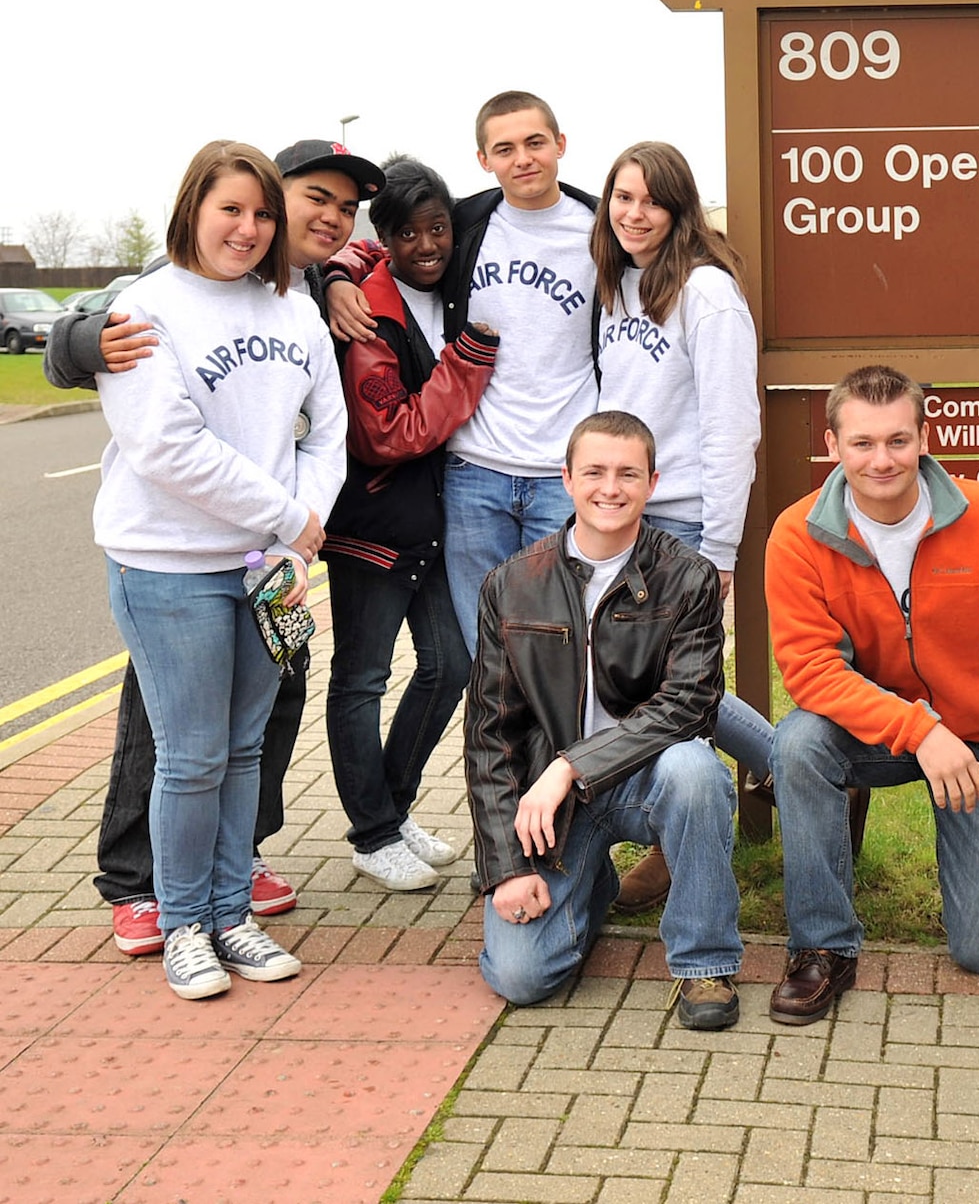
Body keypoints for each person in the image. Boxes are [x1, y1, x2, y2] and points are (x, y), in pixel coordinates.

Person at [53, 138, 382, 949]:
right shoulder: (144, 308)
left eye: (262, 213)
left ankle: (231, 914)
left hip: (269, 570)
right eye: (230, 209)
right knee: (190, 755)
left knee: (247, 749)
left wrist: (296, 541)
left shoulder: (298, 306)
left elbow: (326, 431)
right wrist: (288, 516)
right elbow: (167, 447)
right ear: (191, 209)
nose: (248, 228)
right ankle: (178, 919)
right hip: (172, 568)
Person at [765, 365, 979, 1022]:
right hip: (883, 733)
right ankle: (822, 946)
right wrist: (922, 730)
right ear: (832, 444)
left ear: (925, 438)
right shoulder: (797, 535)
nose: (882, 459)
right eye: (862, 443)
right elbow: (810, 669)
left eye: (898, 440)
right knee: (797, 743)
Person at [463, 412, 743, 1027]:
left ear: (652, 482)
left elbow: (688, 705)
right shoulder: (510, 585)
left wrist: (571, 765)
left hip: (646, 779)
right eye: (594, 472)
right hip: (553, 808)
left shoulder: (687, 577)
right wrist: (504, 870)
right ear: (566, 478)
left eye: (627, 474)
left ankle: (705, 964)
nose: (609, 488)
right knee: (522, 977)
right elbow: (489, 735)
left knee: (697, 769)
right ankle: (588, 887)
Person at [325, 91, 599, 658]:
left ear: (560, 145)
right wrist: (335, 274)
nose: (522, 158)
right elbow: (387, 244)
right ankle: (498, 753)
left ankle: (564, 753)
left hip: (561, 476)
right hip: (474, 477)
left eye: (534, 143)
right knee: (486, 659)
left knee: (562, 654)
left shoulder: (602, 229)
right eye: (505, 148)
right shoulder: (468, 221)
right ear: (484, 159)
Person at [583, 141, 776, 913]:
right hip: (626, 511)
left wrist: (720, 546)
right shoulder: (621, 287)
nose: (633, 214)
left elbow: (734, 426)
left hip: (687, 512)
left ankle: (773, 776)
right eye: (621, 198)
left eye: (650, 201)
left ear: (678, 208)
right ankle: (790, 768)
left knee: (673, 684)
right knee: (641, 679)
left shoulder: (707, 294)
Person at [322, 156, 499, 891]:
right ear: (385, 238)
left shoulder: (451, 283)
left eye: (437, 228)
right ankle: (372, 831)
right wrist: (470, 362)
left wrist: (339, 262)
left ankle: (387, 813)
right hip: (373, 523)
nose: (427, 245)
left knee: (450, 665)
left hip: (430, 520)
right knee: (361, 677)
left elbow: (357, 245)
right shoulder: (367, 308)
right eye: (407, 233)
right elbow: (385, 434)